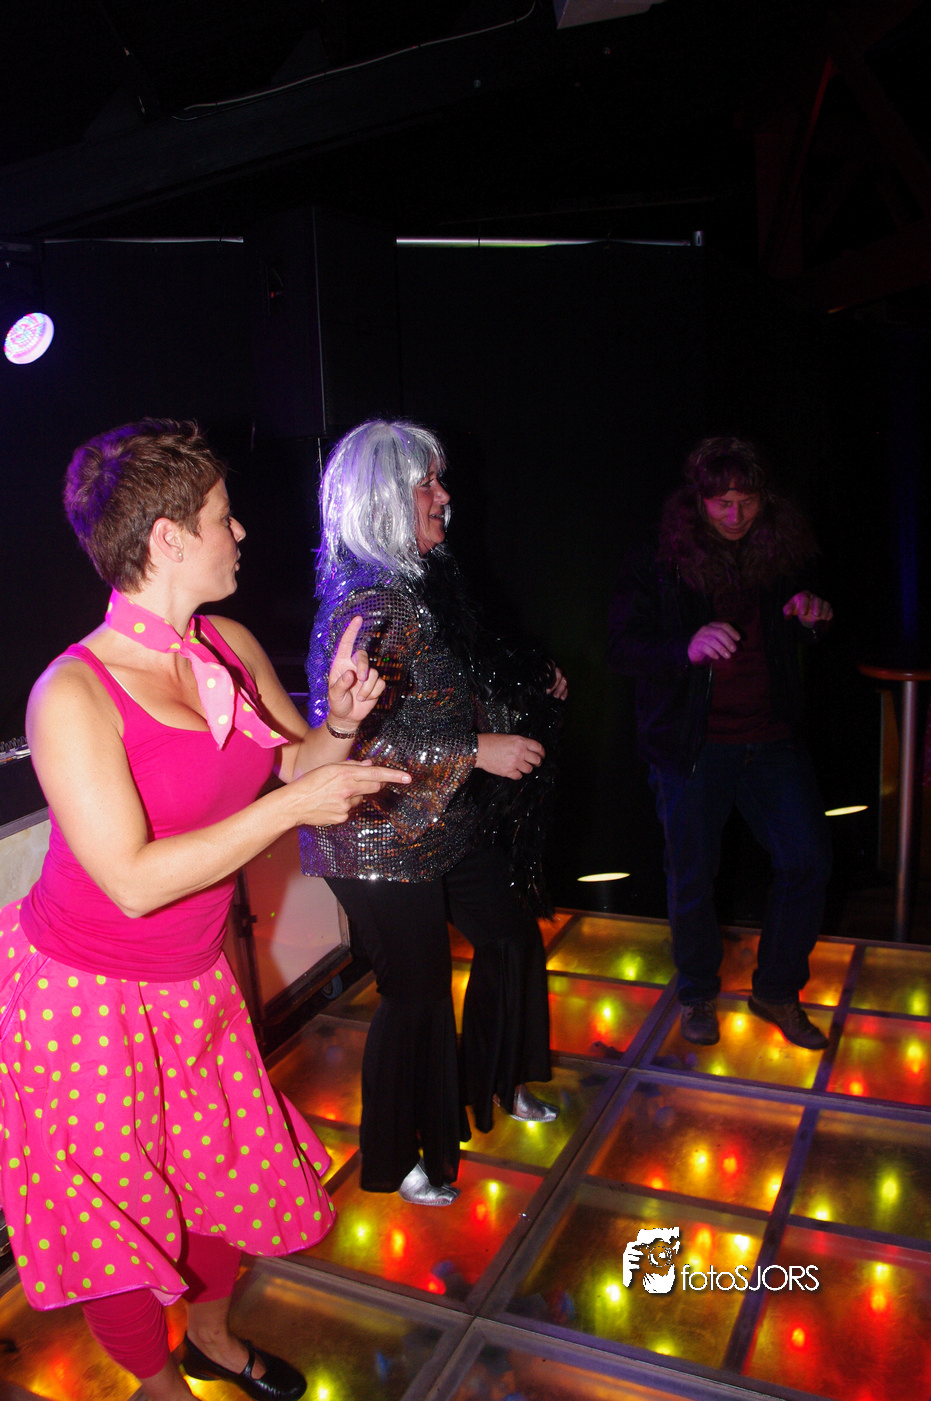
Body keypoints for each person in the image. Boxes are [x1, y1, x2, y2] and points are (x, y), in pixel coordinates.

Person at [0, 419, 409, 1401]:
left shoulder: (224, 643)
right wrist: (293, 806)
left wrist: (341, 724)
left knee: (224, 1176)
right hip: (84, 998)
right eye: (225, 517)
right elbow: (134, 879)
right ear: (169, 538)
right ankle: (159, 1387)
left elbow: (294, 762)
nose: (242, 533)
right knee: (117, 1220)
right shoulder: (73, 693)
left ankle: (213, 1340)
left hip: (193, 980)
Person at [300, 419, 566, 1206]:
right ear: (383, 498)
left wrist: (524, 681)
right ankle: (395, 1155)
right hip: (372, 831)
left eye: (439, 479)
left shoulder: (417, 582)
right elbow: (357, 741)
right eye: (426, 482)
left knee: (509, 935)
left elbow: (444, 688)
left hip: (436, 814)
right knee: (415, 993)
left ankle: (496, 1080)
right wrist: (477, 748)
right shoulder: (372, 601)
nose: (444, 495)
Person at [608, 435, 832, 1050]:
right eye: (722, 503)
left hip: (771, 739)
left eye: (747, 501)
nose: (736, 515)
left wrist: (813, 617)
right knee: (692, 878)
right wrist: (685, 647)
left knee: (808, 860)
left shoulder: (780, 546)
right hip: (692, 746)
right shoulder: (658, 555)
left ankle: (776, 991)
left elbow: (800, 625)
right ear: (697, 500)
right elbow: (621, 645)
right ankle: (698, 992)